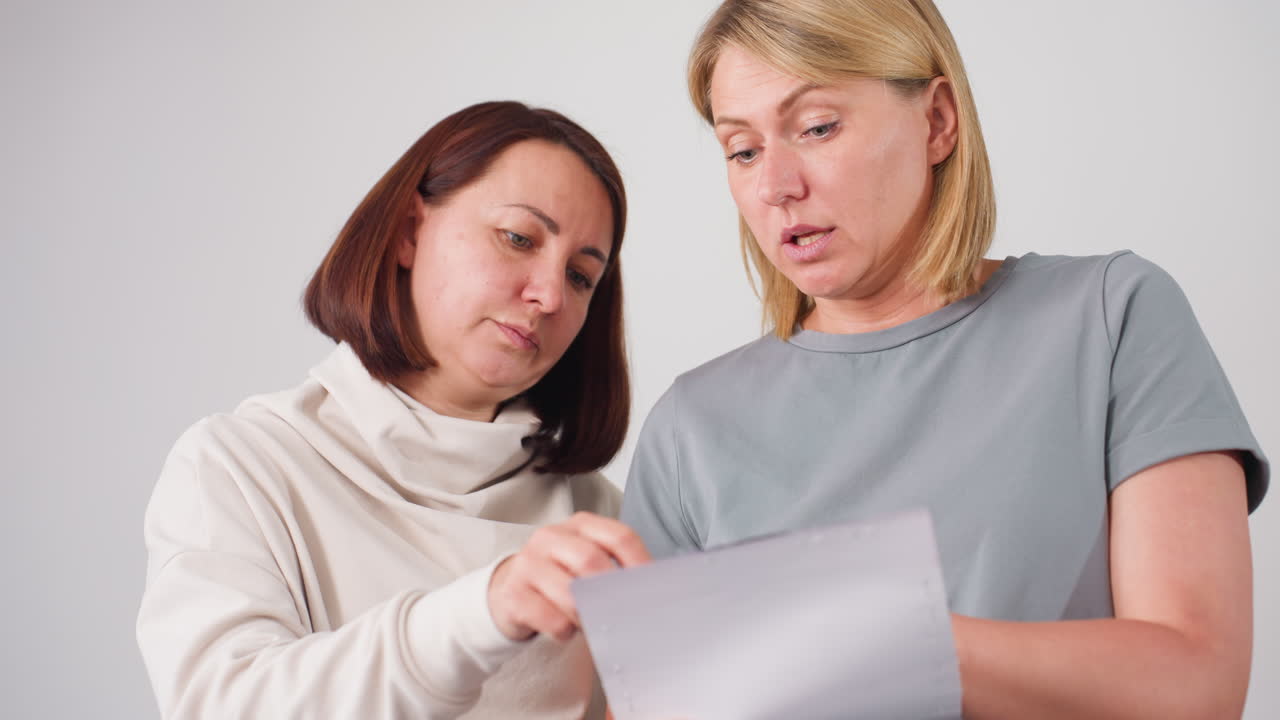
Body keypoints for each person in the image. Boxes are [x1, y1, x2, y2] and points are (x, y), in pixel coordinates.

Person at [621, 1, 1269, 717]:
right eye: (742, 151)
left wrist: (888, 633)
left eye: (816, 128)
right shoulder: (690, 427)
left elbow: (1196, 687)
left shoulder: (1112, 316)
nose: (776, 186)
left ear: (937, 121)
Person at [137, 101, 650, 719]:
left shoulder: (601, 518)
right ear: (410, 230)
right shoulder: (240, 467)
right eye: (518, 239)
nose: (546, 294)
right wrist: (483, 611)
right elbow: (221, 706)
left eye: (579, 277)